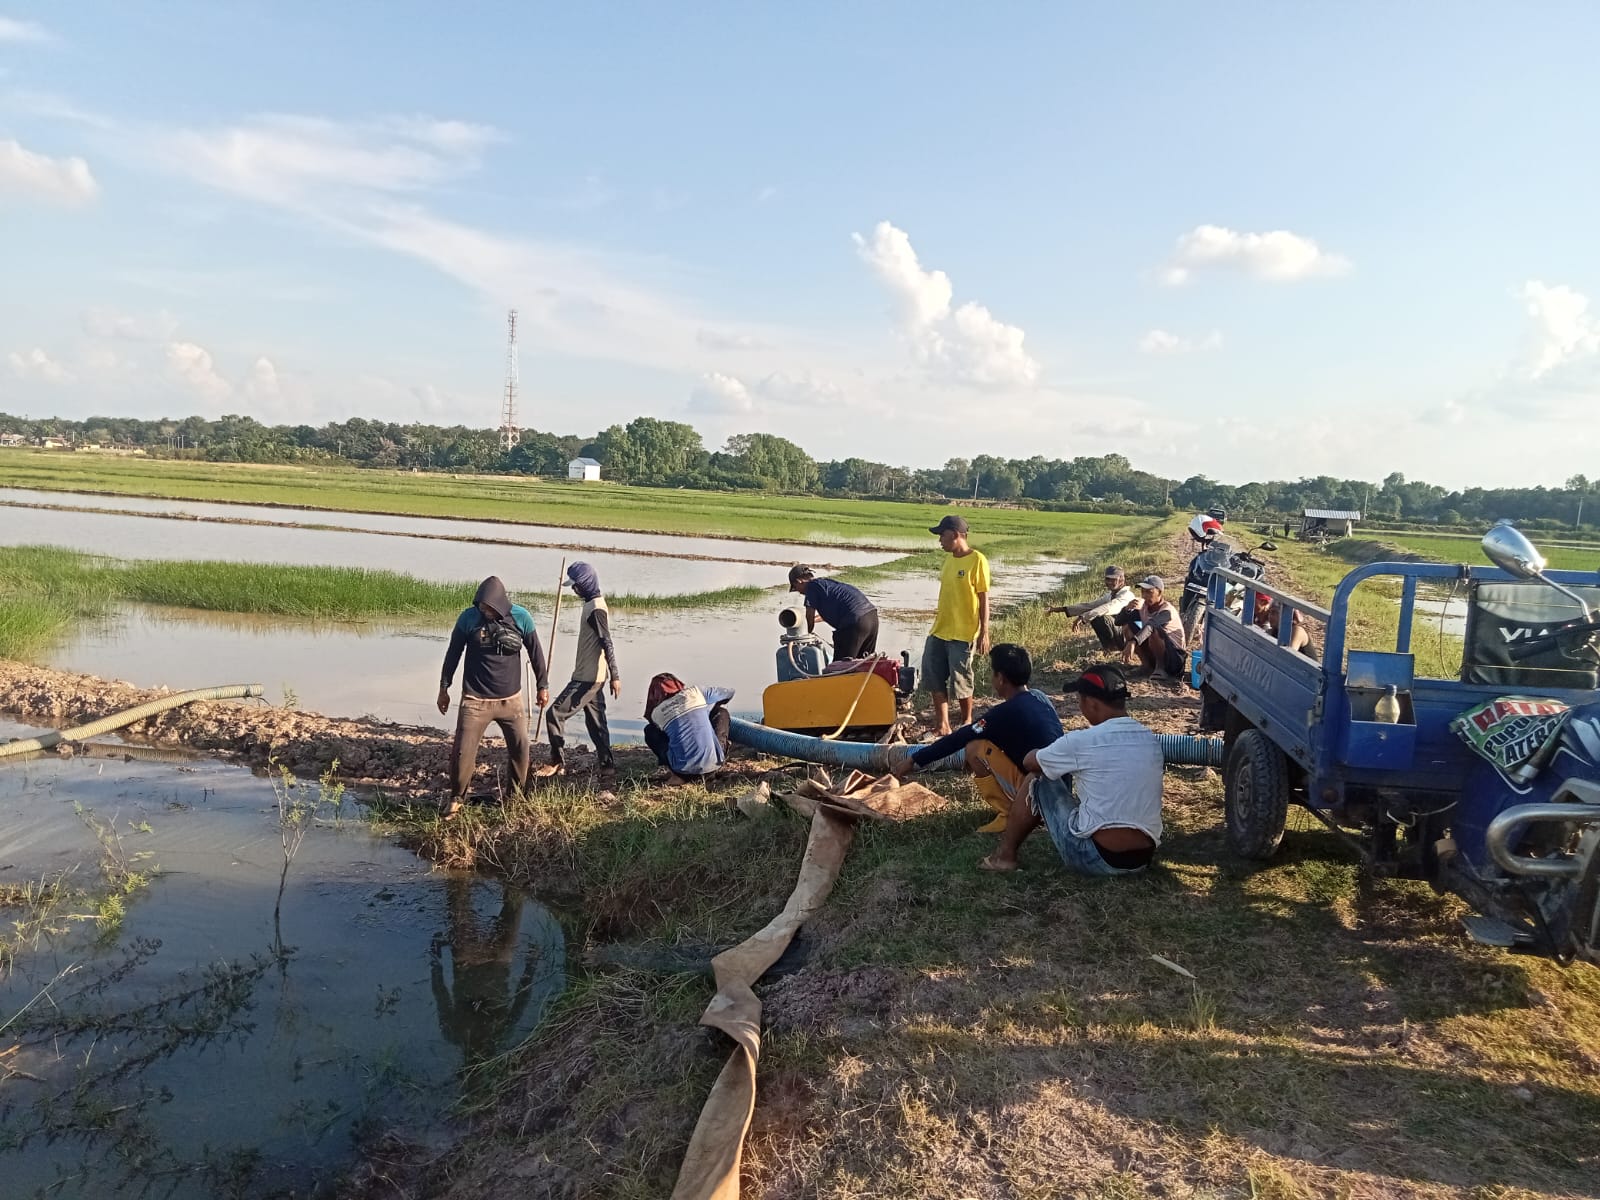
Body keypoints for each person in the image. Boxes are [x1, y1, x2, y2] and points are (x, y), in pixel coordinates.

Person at [980, 663, 1164, 875]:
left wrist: (1049, 753)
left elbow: (1031, 763)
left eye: (1079, 701)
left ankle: (1004, 857)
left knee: (1038, 778)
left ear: (1091, 703)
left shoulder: (1083, 741)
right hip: (1142, 860)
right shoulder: (1150, 740)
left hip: (1098, 858)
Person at [889, 643, 1062, 832]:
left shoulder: (1002, 714)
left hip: (1039, 793)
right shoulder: (1038, 698)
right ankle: (1028, 809)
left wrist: (914, 759)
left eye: (992, 673)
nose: (990, 679)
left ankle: (1010, 813)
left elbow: (960, 738)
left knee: (975, 748)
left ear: (1001, 678)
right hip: (1059, 789)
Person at [437, 576, 549, 817]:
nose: (484, 610)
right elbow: (453, 653)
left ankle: (515, 797)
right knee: (462, 751)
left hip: (512, 700)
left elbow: (536, 652)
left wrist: (543, 685)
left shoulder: (521, 617)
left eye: (488, 607)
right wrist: (444, 688)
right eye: (481, 606)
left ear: (499, 603)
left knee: (521, 749)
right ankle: (457, 798)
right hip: (475, 701)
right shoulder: (468, 618)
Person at [538, 561, 620, 778]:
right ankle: (607, 766)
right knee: (596, 722)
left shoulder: (595, 610)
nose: (574, 590)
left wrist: (615, 675)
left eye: (576, 586)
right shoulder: (593, 604)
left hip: (587, 677)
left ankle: (557, 762)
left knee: (554, 713)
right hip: (593, 675)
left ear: (585, 584)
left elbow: (607, 642)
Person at [923, 514, 992, 736]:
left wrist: (984, 632)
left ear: (954, 535)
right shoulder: (949, 559)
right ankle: (942, 724)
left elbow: (983, 599)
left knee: (961, 679)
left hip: (962, 633)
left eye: (942, 535)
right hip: (939, 629)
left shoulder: (977, 560)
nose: (940, 540)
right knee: (933, 675)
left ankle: (966, 722)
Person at [643, 673, 735, 783]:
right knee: (721, 712)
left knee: (650, 731)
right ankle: (713, 759)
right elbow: (729, 693)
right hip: (712, 767)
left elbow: (660, 730)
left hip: (681, 772)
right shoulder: (696, 692)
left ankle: (675, 773)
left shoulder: (657, 713)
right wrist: (709, 706)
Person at [787, 566, 879, 659]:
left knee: (841, 667)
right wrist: (811, 621)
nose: (798, 592)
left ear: (799, 581)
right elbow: (826, 615)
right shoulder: (825, 585)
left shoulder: (811, 587)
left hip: (855, 623)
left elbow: (809, 617)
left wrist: (805, 637)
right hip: (871, 618)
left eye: (795, 588)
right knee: (865, 663)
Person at [1115, 575, 1188, 679]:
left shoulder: (1167, 611)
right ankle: (1147, 666)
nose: (1145, 596)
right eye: (1143, 592)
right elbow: (1118, 622)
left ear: (1160, 592)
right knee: (1128, 626)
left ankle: (1160, 669)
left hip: (1175, 660)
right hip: (1156, 653)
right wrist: (1127, 609)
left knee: (1153, 630)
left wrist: (1133, 642)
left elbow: (1151, 626)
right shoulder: (1144, 608)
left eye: (1149, 592)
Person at [1048, 565, 1134, 652]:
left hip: (1129, 639)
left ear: (1121, 580)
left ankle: (1113, 649)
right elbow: (1090, 605)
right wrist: (1057, 609)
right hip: (1121, 634)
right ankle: (1109, 648)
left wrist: (1083, 617)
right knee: (1096, 614)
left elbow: (1108, 608)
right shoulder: (1110, 595)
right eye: (1107, 579)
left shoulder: (1126, 596)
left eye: (1113, 579)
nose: (1109, 582)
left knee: (1100, 617)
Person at [1253, 591, 1316, 657]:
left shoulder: (1297, 631)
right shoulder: (1274, 631)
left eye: (1274, 613)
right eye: (1270, 612)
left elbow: (1287, 656)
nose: (1270, 616)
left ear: (1285, 614)